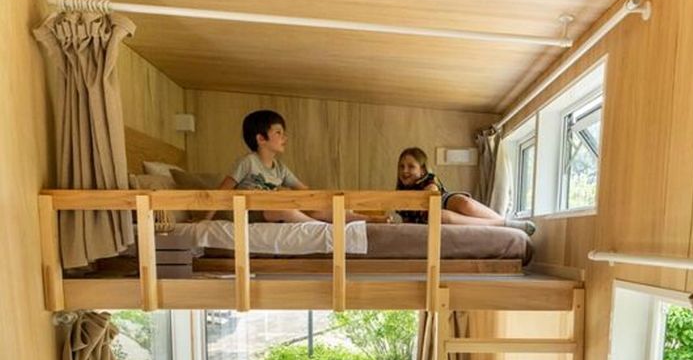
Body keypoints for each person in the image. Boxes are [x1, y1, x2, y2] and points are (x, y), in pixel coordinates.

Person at [205, 109, 377, 223]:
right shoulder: (248, 162)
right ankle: (324, 229)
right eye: (278, 133)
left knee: (314, 208)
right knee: (285, 210)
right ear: (261, 138)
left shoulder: (280, 167)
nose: (284, 138)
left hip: (275, 209)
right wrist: (205, 220)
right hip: (254, 213)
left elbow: (305, 191)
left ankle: (367, 220)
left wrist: (323, 202)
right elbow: (222, 191)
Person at [395, 146, 535, 235]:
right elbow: (406, 220)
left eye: (411, 166)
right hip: (430, 216)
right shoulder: (398, 194)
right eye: (401, 166)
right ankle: (504, 224)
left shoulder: (429, 179)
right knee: (441, 216)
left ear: (422, 170)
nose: (405, 171)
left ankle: (502, 220)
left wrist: (429, 193)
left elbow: (433, 193)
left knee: (465, 203)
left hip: (443, 200)